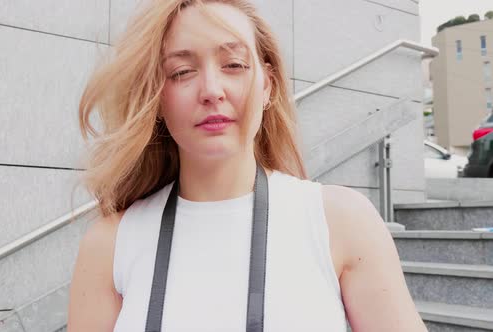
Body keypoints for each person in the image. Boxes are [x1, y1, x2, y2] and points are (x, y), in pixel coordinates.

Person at [67, 0, 427, 331]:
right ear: (157, 97)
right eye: (181, 72)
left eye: (234, 65)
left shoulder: (340, 221)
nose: (211, 89)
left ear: (268, 84)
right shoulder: (111, 243)